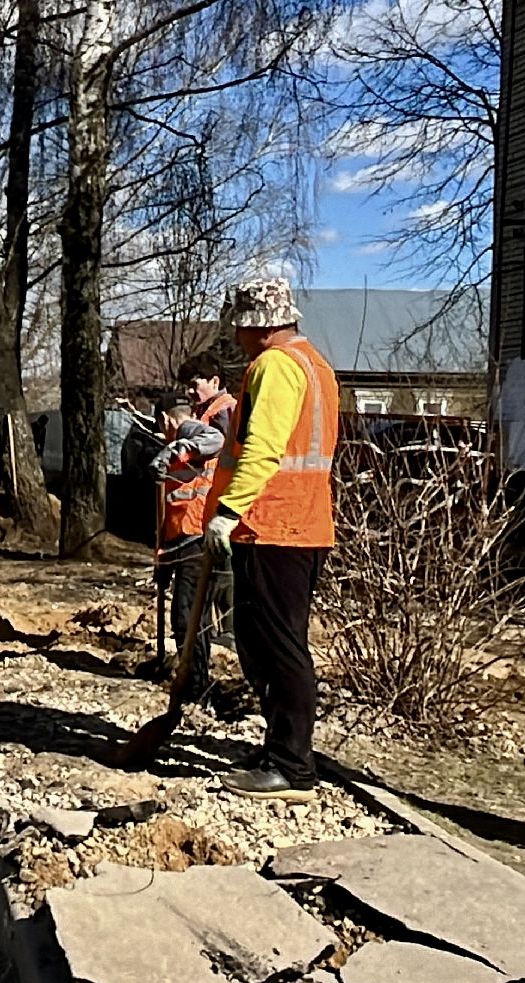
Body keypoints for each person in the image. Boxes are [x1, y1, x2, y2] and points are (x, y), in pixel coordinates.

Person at [203, 278, 340, 803]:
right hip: (299, 524)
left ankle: (292, 765)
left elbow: (263, 447)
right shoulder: (315, 365)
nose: (235, 336)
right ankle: (280, 748)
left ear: (255, 322)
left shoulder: (277, 366)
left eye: (238, 325)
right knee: (264, 644)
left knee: (279, 647)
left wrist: (228, 511)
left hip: (276, 526)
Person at [148, 399, 227, 693]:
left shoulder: (189, 433)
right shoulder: (180, 452)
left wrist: (173, 449)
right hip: (185, 543)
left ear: (166, 420)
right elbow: (171, 511)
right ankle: (195, 682)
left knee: (187, 618)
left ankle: (195, 687)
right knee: (191, 617)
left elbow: (214, 437)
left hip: (197, 540)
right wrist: (163, 562)